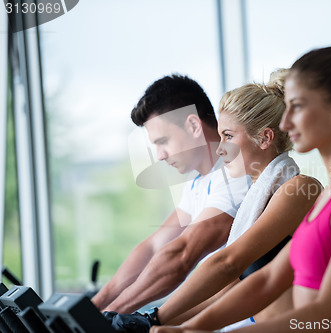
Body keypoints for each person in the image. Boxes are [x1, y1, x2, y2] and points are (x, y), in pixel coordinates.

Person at [151, 46, 331, 333]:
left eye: (298, 106)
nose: (285, 121)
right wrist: (186, 327)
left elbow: (329, 311)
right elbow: (265, 282)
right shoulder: (330, 194)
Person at [107, 69, 322, 332]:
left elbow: (227, 264)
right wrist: (148, 321)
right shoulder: (257, 199)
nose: (220, 148)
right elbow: (227, 290)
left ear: (265, 138)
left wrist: (155, 319)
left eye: (228, 136)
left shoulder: (297, 189)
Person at [91, 75, 250, 314]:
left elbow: (182, 256)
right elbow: (154, 247)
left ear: (194, 125)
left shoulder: (236, 174)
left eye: (163, 141)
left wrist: (111, 314)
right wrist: (95, 306)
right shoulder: (197, 183)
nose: (160, 155)